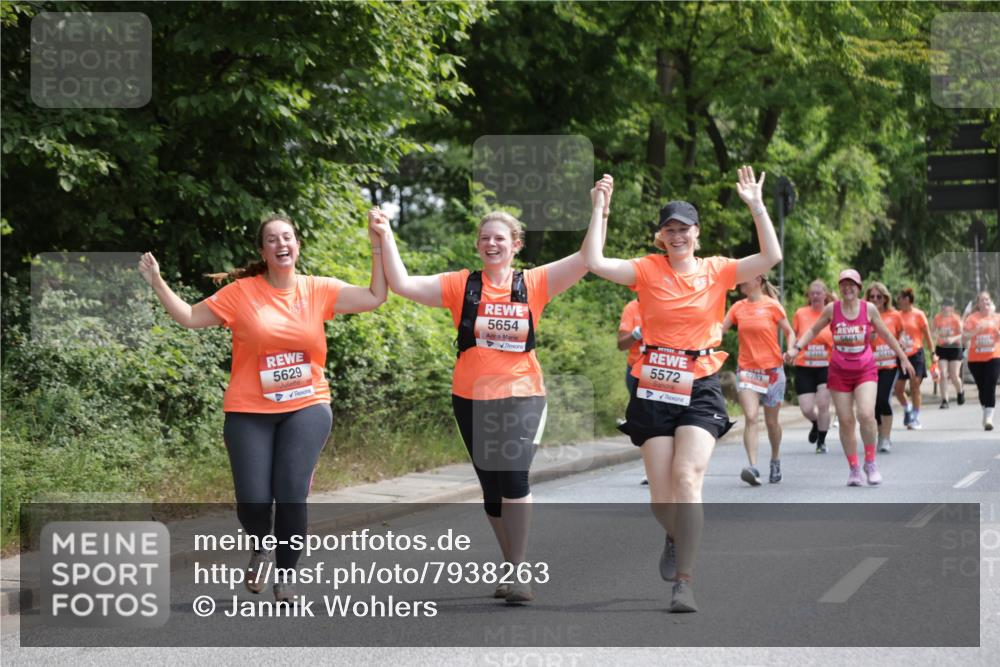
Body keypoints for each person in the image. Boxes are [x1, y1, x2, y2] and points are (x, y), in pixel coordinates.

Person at [137, 213, 387, 602]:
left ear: (297, 245)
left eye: (288, 237)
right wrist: (157, 282)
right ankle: (261, 544)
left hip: (307, 404)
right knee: (253, 499)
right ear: (263, 251)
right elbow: (188, 317)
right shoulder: (241, 293)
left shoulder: (318, 289)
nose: (281, 244)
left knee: (289, 492)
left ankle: (286, 575)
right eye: (272, 239)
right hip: (249, 410)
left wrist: (377, 241)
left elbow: (375, 296)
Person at [370, 199, 594, 604]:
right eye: (485, 238)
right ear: (478, 245)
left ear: (516, 245)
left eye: (500, 239)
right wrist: (385, 236)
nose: (492, 244)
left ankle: (519, 569)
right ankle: (510, 566)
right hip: (471, 396)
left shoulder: (535, 283)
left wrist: (599, 208)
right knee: (492, 490)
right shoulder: (462, 285)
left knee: (513, 478)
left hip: (522, 393)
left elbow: (586, 258)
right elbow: (402, 283)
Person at [582, 165, 781, 613]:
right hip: (654, 384)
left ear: (696, 233)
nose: (676, 235)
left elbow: (770, 257)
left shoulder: (717, 270)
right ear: (661, 236)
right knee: (660, 496)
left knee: (688, 478)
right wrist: (600, 209)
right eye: (669, 229)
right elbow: (594, 262)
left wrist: (756, 205)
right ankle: (674, 535)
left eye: (684, 228)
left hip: (701, 382)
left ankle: (685, 582)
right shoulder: (646, 270)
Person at [787, 270, 915, 487]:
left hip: (865, 369)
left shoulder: (869, 309)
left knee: (866, 414)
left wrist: (903, 357)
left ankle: (871, 462)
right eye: (843, 284)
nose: (848, 288)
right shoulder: (832, 309)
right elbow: (813, 330)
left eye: (852, 285)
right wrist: (796, 348)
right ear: (839, 287)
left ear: (859, 287)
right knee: (846, 421)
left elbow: (886, 334)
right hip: (839, 371)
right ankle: (854, 468)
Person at [721, 275, 795, 485]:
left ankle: (775, 459)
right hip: (747, 370)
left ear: (759, 280)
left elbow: (789, 332)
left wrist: (791, 349)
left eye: (747, 277)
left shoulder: (772, 306)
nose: (741, 280)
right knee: (751, 417)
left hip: (772, 370)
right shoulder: (737, 308)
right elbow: (720, 330)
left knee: (772, 422)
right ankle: (753, 467)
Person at [791, 280, 835, 452]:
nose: (815, 296)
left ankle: (821, 442)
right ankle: (816, 423)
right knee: (806, 408)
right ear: (808, 296)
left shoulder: (831, 313)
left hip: (826, 365)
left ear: (825, 295)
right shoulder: (801, 313)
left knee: (823, 403)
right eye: (812, 293)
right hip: (804, 365)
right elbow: (794, 336)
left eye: (818, 293)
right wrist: (791, 350)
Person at [866, 282, 903, 453]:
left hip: (890, 364)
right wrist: (869, 337)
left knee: (883, 399)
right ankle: (880, 435)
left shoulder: (894, 316)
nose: (875, 299)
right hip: (869, 366)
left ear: (885, 298)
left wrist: (903, 356)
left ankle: (886, 437)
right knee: (872, 404)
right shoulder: (864, 316)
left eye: (879, 297)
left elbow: (900, 337)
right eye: (872, 297)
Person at [893, 287, 936, 430]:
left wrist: (933, 353)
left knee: (915, 384)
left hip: (916, 353)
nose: (898, 301)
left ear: (907, 299)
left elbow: (928, 336)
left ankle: (916, 417)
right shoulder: (896, 315)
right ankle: (908, 407)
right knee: (898, 389)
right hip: (902, 355)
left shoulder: (919, 315)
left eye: (900, 298)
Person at [618, 298, 649, 485]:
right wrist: (637, 333)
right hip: (636, 370)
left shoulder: (668, 299)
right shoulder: (632, 307)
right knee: (644, 421)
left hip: (665, 370)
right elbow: (621, 344)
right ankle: (650, 469)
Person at [963, 291, 1000, 430]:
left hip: (994, 356)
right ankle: (985, 410)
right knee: (982, 387)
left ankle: (989, 418)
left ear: (990, 302)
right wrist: (974, 332)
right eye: (982, 300)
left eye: (987, 300)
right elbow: (964, 337)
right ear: (978, 304)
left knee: (990, 383)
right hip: (976, 359)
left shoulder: (997, 318)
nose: (985, 303)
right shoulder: (972, 318)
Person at [933, 297, 965, 408]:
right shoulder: (937, 318)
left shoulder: (956, 318)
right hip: (942, 348)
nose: (943, 307)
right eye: (942, 305)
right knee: (942, 373)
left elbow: (962, 334)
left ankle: (960, 391)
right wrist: (935, 336)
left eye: (946, 305)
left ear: (951, 307)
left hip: (955, 348)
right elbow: (933, 331)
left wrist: (953, 339)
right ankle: (944, 400)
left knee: (954, 375)